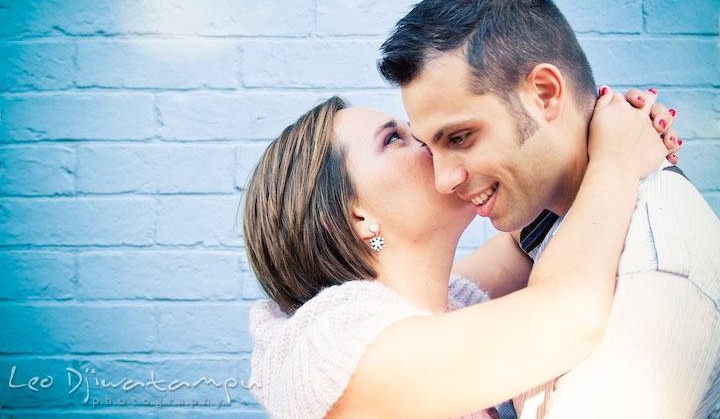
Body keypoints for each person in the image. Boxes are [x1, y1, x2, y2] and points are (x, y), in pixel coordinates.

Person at [378, 0, 720, 418]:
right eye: (429, 145)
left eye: (461, 137)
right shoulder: (549, 224)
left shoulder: (655, 272)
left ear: (544, 93)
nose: (444, 179)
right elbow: (427, 309)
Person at [244, 89, 676, 418]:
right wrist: (616, 160)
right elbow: (567, 314)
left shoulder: (438, 303)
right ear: (354, 217)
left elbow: (526, 239)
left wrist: (599, 134)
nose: (427, 140)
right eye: (395, 139)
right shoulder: (334, 353)